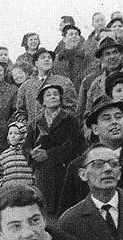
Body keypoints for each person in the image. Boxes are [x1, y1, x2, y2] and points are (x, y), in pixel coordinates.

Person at [59, 95, 123, 213]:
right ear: (95, 129)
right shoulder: (78, 167)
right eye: (107, 118)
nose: (114, 122)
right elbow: (66, 217)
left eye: (118, 117)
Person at [23, 84, 84, 216]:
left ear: (61, 98)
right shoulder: (35, 123)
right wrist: (32, 152)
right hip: (43, 174)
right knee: (45, 210)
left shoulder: (71, 120)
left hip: (64, 172)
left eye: (55, 94)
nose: (53, 97)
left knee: (65, 209)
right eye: (48, 95)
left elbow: (73, 145)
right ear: (42, 101)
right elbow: (26, 146)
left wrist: (48, 154)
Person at [15, 48, 77, 125]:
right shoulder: (26, 86)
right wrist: (27, 126)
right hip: (34, 133)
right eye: (43, 58)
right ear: (36, 63)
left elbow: (71, 108)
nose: (47, 59)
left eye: (49, 58)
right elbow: (20, 112)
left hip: (59, 131)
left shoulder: (64, 82)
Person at [0, 122, 34, 188]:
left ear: (23, 135)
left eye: (16, 133)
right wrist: (3, 187)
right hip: (10, 193)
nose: (13, 136)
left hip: (27, 192)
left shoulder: (28, 153)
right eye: (10, 133)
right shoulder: (4, 155)